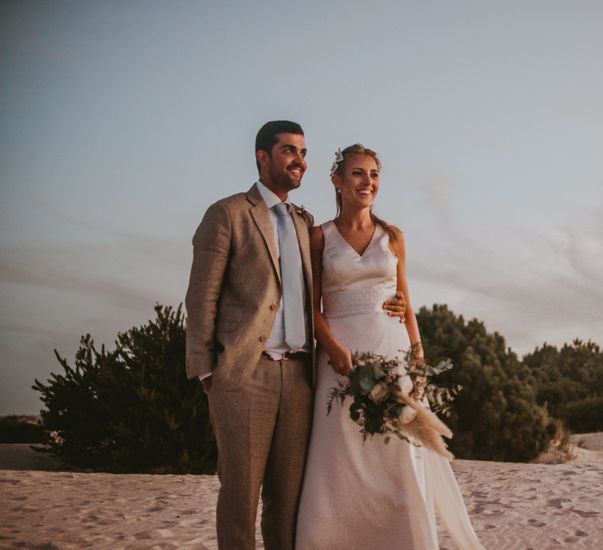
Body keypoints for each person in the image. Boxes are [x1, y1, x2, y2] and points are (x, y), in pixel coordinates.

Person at [185, 123, 406, 550]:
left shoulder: (306, 224)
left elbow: (335, 289)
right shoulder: (228, 214)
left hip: (303, 377)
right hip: (246, 375)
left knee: (289, 501)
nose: (299, 160)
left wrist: (391, 303)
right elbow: (201, 297)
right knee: (240, 495)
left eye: (303, 152)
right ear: (261, 157)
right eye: (288, 150)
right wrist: (207, 371)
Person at [295, 144, 484, 550]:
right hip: (339, 358)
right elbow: (310, 307)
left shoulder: (393, 237)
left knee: (396, 454)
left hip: (391, 351)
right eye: (359, 174)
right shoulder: (318, 237)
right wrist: (332, 348)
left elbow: (406, 302)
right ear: (337, 181)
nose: (368, 182)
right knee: (340, 455)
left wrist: (417, 359)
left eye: (375, 174)